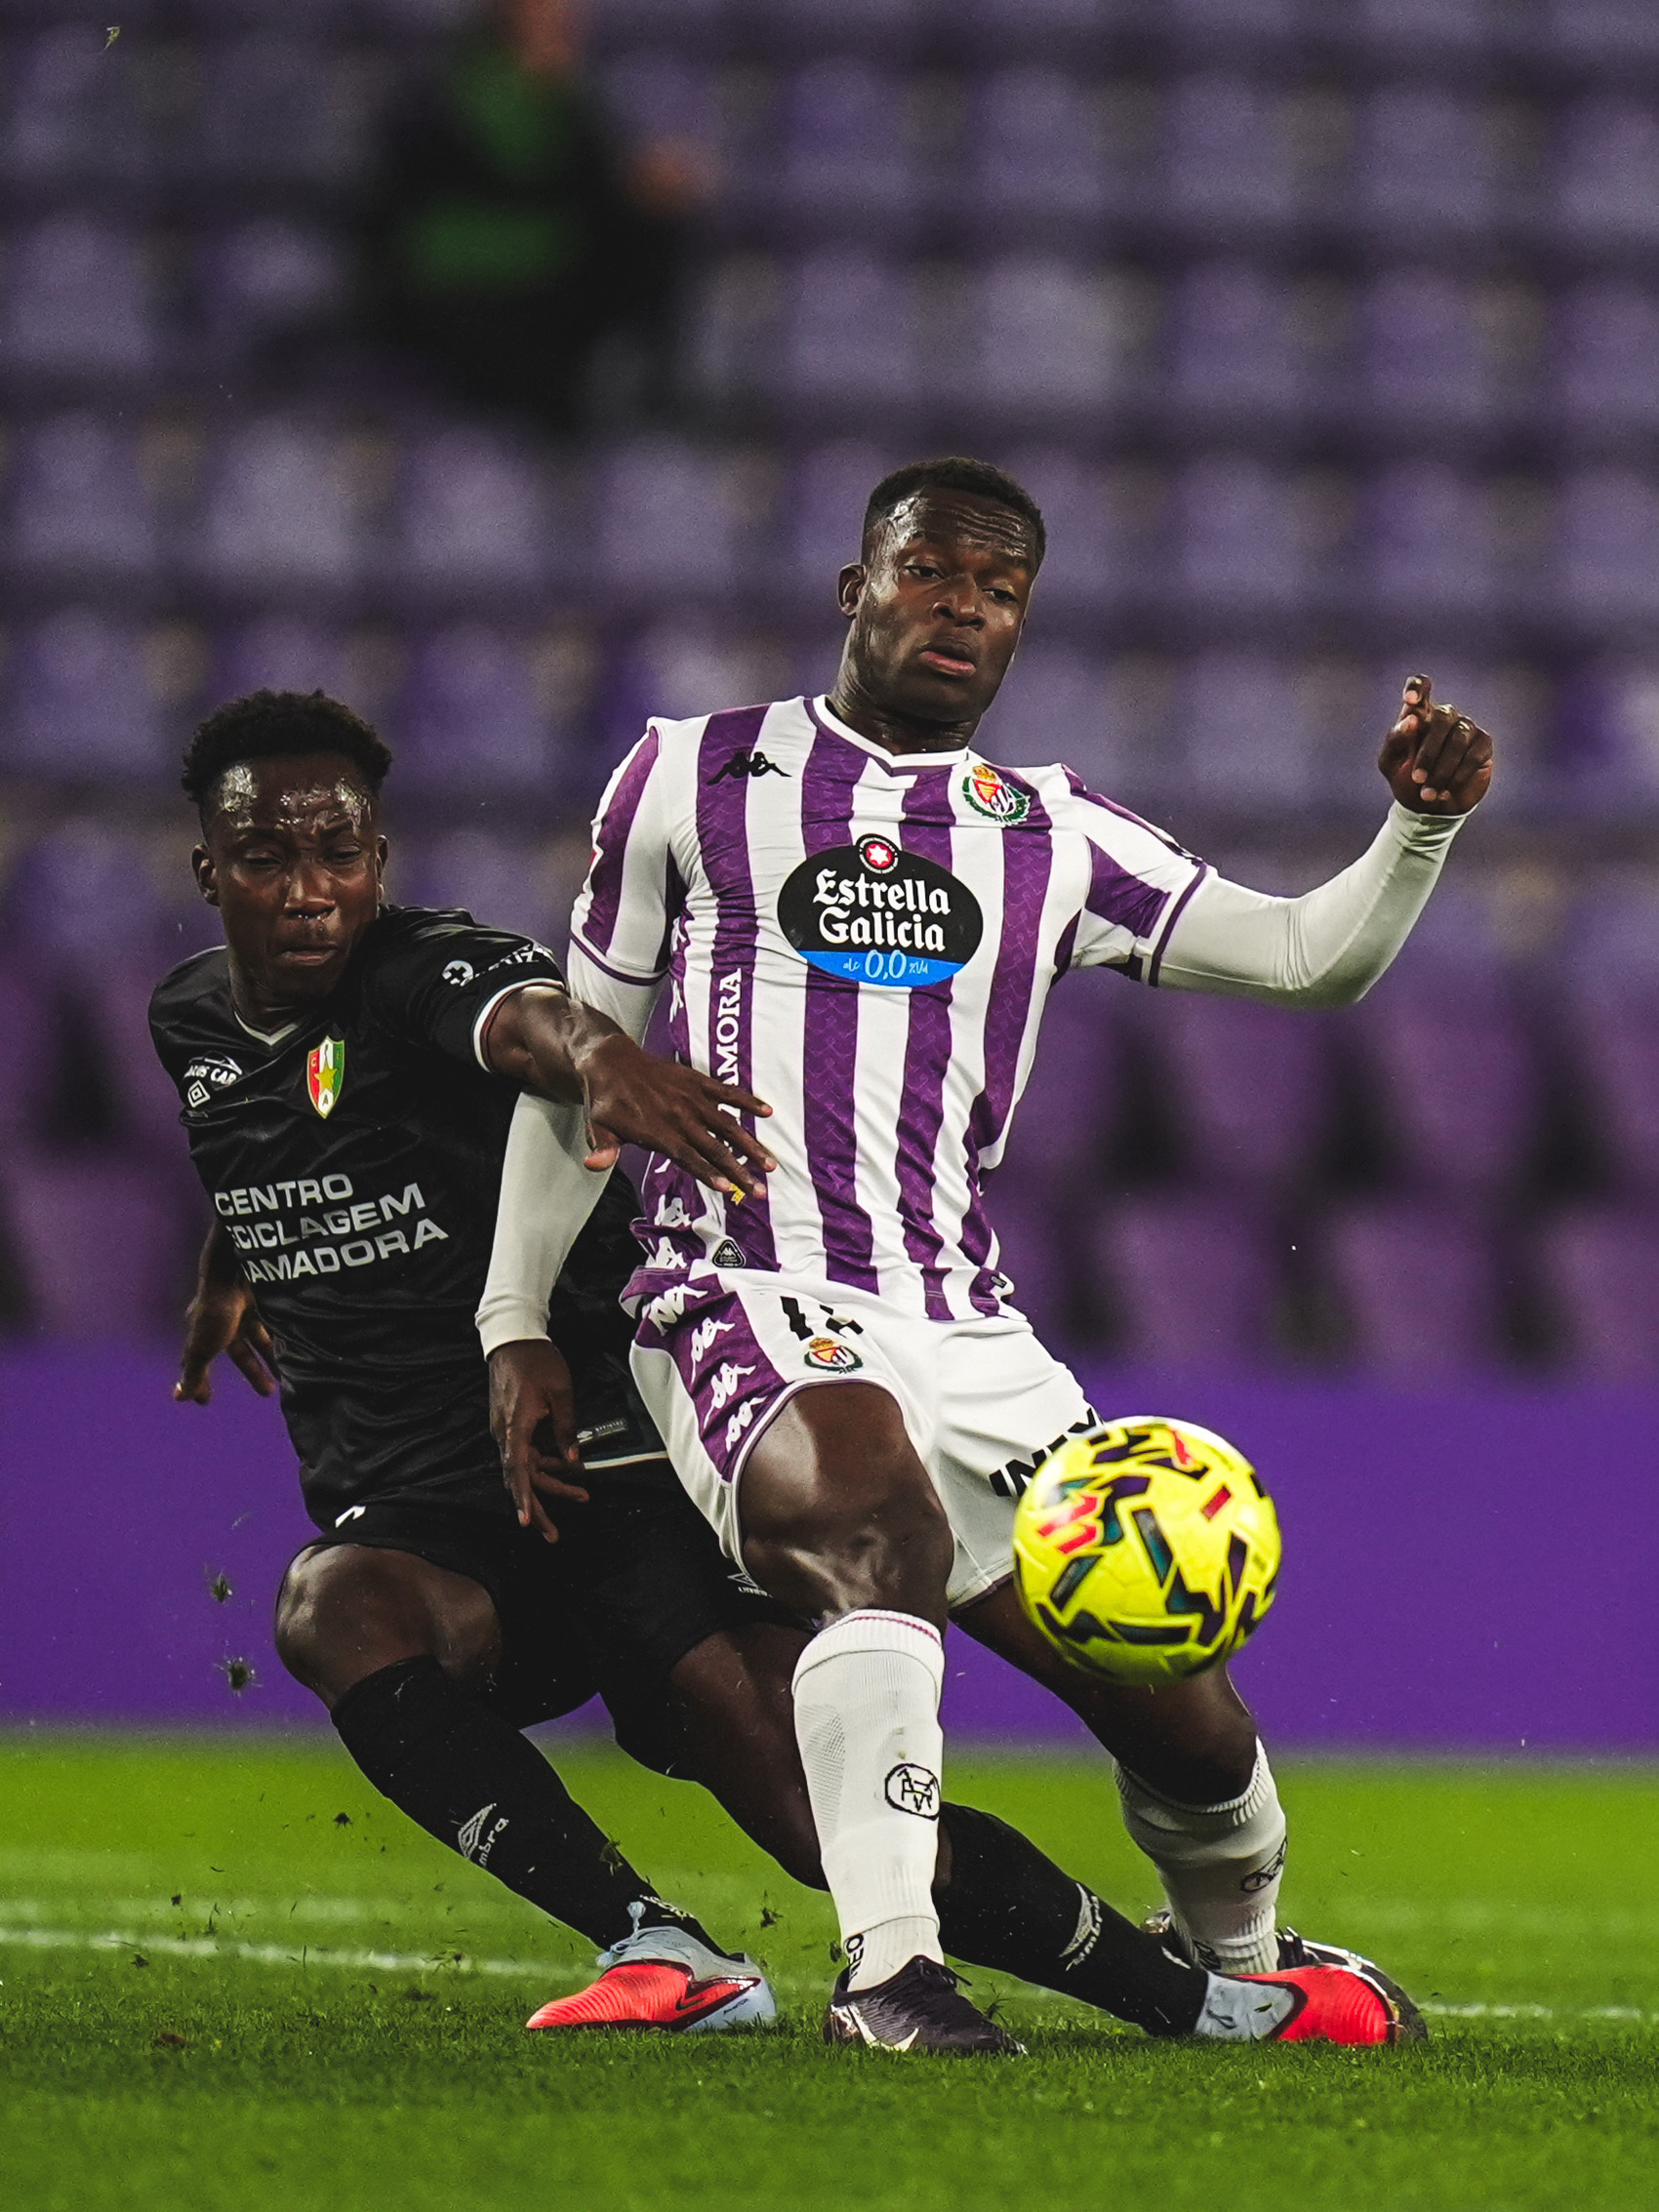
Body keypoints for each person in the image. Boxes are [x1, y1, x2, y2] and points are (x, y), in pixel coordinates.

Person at [152, 685, 1413, 2053]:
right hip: (438, 1506)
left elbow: (534, 1027)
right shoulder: (193, 1020)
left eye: (337, 854)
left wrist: (603, 1057)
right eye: (267, 859)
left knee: (831, 1820)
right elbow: (288, 1119)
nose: (309, 890)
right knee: (333, 1605)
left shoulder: (426, 970)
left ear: (379, 858)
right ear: (208, 870)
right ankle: (658, 1943)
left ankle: (1197, 1995)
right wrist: (231, 1260)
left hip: (613, 1471)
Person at [487, 455, 1491, 2051]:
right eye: (930, 571)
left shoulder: (1053, 831)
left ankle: (1241, 1959)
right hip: (742, 1286)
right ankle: (890, 1970)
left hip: (970, 1332)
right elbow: (579, 1074)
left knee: (1185, 1710)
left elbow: (1309, 955)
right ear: (857, 586)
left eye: (999, 588)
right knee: (868, 1519)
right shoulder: (691, 773)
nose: (962, 606)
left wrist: (1418, 827)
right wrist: (518, 1317)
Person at [361, 0, 696, 428]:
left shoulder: (571, 98)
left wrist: (645, 183)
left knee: (655, 224)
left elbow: (595, 186)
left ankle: (651, 398)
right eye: (545, 18)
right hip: (459, 286)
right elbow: (521, 169)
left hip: (543, 281)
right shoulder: (450, 88)